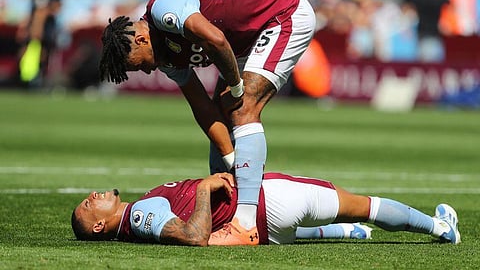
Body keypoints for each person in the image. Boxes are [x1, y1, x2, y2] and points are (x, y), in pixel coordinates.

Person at [99, 0, 316, 244]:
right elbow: (201, 106)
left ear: (142, 39)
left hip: (282, 13)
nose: (146, 71)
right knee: (226, 113)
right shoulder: (165, 57)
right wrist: (230, 158)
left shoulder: (164, 9)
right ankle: (233, 212)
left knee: (243, 106)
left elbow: (216, 39)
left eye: (140, 64)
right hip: (243, 43)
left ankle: (245, 224)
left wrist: (236, 89)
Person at [71, 172, 460, 246]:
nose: (91, 196)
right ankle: (440, 228)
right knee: (364, 205)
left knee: (345, 222)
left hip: (260, 226)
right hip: (264, 202)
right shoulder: (141, 214)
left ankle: (343, 233)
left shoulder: (138, 217)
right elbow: (192, 236)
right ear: (101, 226)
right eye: (88, 207)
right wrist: (206, 189)